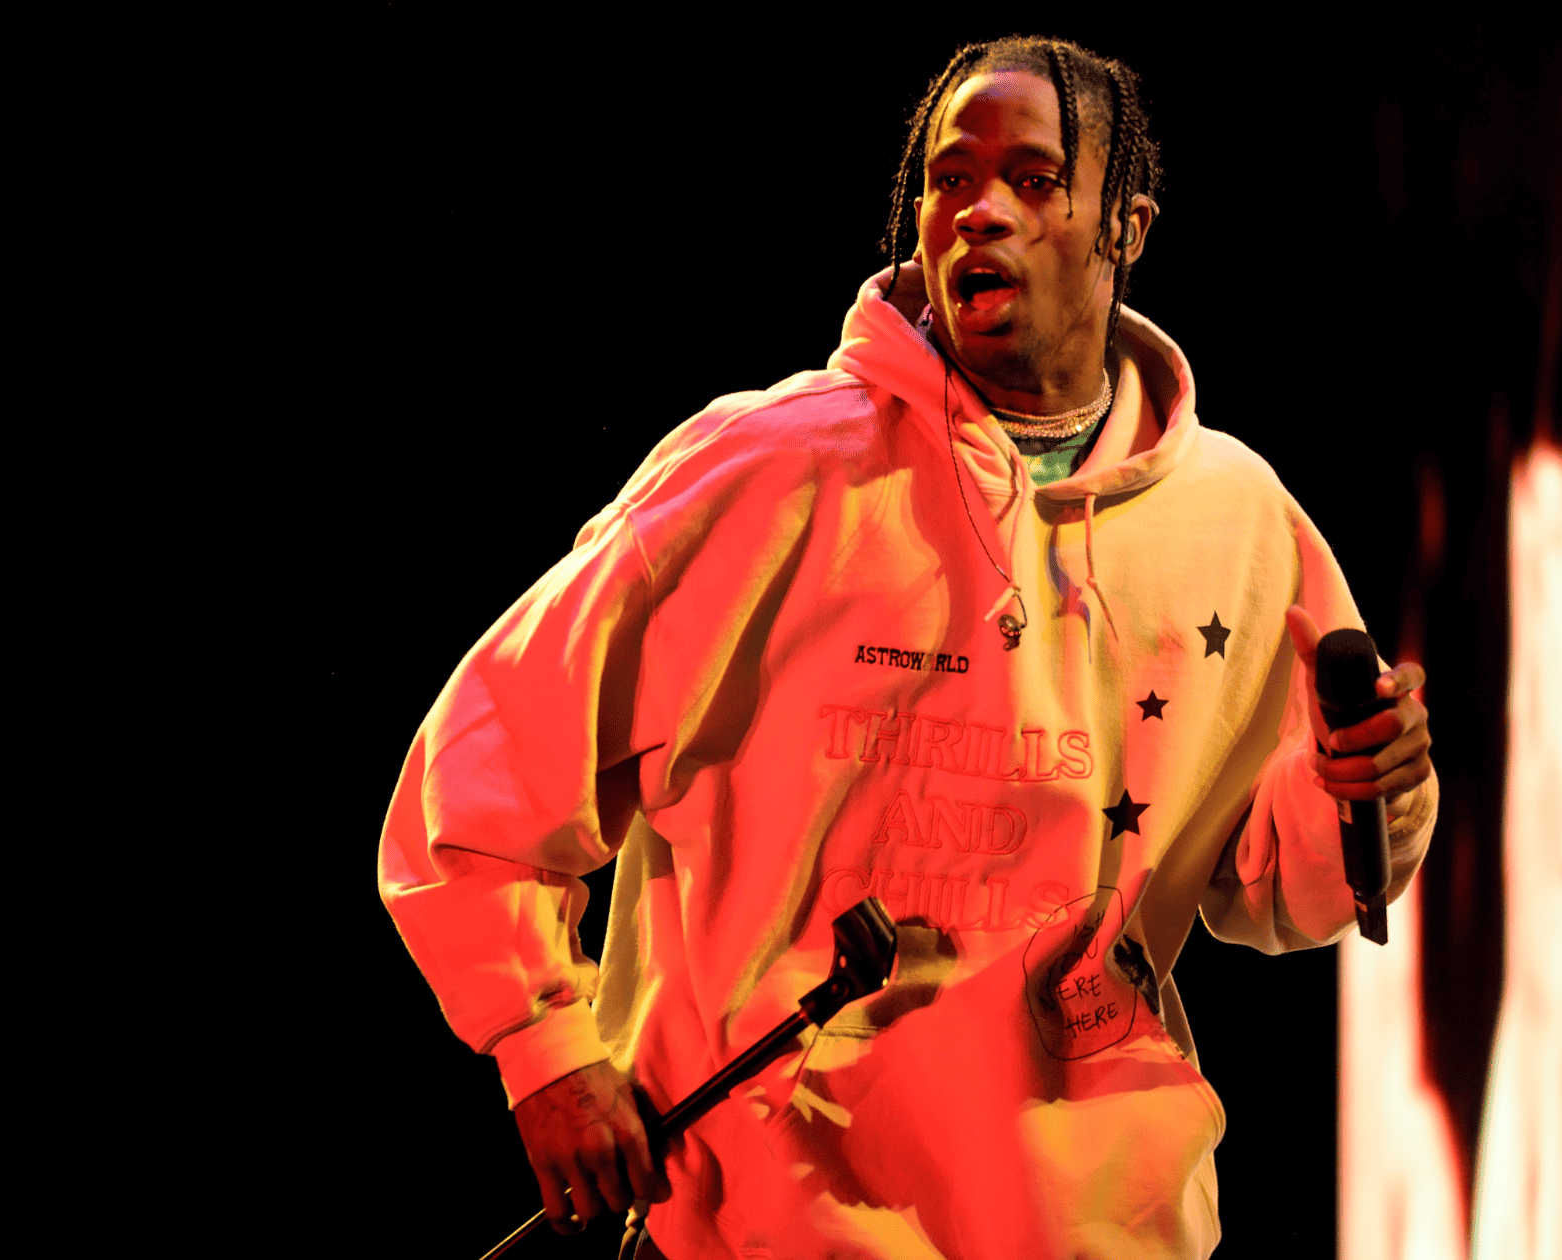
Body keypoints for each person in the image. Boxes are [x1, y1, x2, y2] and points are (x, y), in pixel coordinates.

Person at [380, 35, 1438, 1260]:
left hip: (1094, 1233)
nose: (979, 210)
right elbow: (479, 777)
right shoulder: (764, 472)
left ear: (1126, 227)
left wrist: (1363, 791)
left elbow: (1277, 891)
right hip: (764, 1233)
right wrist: (546, 1050)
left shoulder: (1238, 522)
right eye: (949, 179)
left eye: (1035, 179)